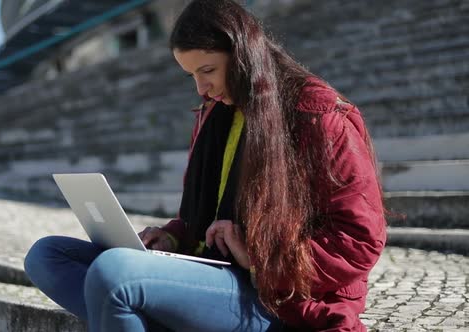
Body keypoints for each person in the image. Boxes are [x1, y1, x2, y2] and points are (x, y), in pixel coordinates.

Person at [24, 0, 387, 331]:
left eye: (208, 70)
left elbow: (359, 240)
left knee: (114, 274)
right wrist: (172, 236)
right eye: (192, 75)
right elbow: (205, 215)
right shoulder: (216, 114)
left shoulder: (318, 114)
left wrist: (259, 257)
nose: (201, 88)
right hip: (212, 273)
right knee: (48, 256)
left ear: (243, 53)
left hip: (276, 297)